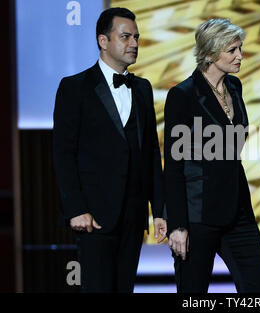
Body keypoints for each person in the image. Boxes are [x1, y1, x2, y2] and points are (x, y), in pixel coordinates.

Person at [53, 7, 166, 292]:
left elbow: (151, 152)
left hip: (133, 215)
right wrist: (76, 208)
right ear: (103, 41)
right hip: (94, 215)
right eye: (126, 37)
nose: (135, 44)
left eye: (137, 38)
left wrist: (160, 211)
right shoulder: (74, 87)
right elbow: (63, 154)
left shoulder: (142, 88)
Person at [164, 18, 260, 293]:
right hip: (198, 215)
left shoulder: (234, 87)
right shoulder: (183, 95)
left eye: (240, 49)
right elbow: (174, 165)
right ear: (211, 53)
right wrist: (177, 224)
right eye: (232, 50)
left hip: (239, 211)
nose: (240, 56)